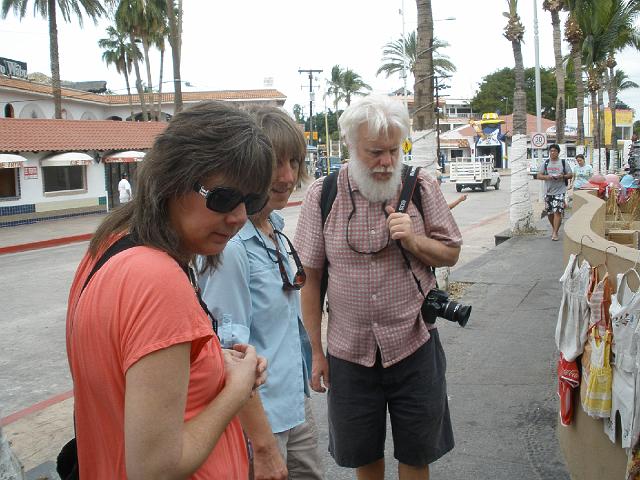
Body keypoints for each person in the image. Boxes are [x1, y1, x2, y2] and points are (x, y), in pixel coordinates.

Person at [65, 101, 273, 479]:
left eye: (252, 201)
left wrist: (211, 360)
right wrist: (237, 388)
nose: (240, 216)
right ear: (172, 180)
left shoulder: (109, 247)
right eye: (223, 198)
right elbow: (155, 467)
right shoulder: (157, 279)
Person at [294, 94, 462, 480]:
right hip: (348, 351)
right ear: (352, 148)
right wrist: (316, 352)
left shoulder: (422, 186)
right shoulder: (324, 194)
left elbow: (450, 252)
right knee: (362, 453)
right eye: (375, 152)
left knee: (417, 452)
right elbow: (311, 276)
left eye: (392, 150)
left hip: (414, 343)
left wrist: (416, 240)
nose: (386, 161)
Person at [199, 106, 323, 480]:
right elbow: (229, 354)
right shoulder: (233, 246)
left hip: (294, 404)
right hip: (260, 422)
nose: (287, 176)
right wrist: (264, 444)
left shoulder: (275, 228)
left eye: (294, 162)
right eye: (274, 164)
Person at [536, 143, 573, 241]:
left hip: (560, 191)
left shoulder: (563, 163)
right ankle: (554, 228)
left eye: (554, 151)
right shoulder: (546, 163)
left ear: (558, 152)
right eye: (551, 151)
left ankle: (555, 232)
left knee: (557, 211)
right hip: (548, 192)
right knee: (550, 213)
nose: (552, 153)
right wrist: (546, 177)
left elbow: (570, 174)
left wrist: (563, 176)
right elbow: (538, 175)